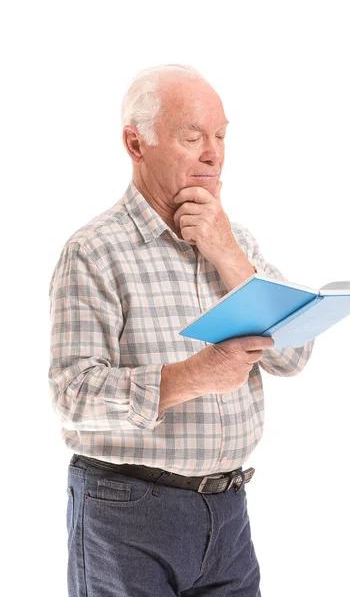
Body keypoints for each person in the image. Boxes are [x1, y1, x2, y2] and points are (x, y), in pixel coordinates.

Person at [48, 63, 315, 597]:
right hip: (127, 513)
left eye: (219, 136)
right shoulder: (94, 251)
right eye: (192, 137)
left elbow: (294, 355)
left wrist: (226, 253)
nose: (213, 154)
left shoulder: (236, 240)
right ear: (135, 143)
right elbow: (71, 393)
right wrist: (194, 376)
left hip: (228, 510)